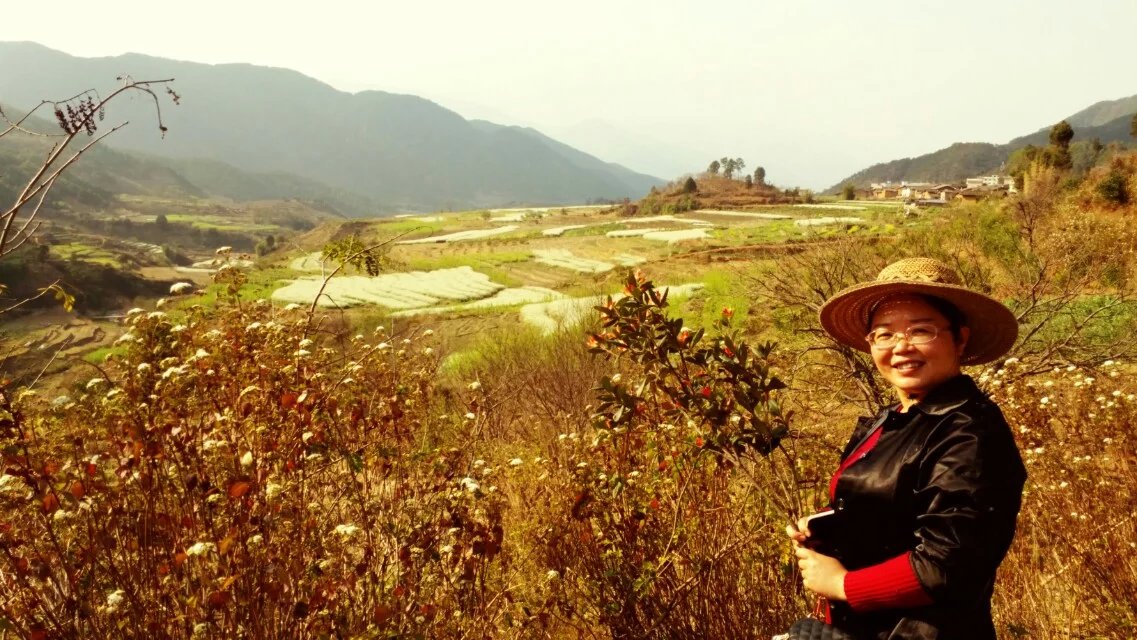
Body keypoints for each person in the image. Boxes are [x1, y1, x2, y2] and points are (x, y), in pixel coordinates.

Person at [787, 257, 1027, 640]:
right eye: (884, 334)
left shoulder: (970, 430)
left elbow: (948, 563)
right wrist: (829, 526)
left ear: (959, 338)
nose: (901, 347)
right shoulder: (894, 418)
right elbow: (892, 506)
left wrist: (842, 585)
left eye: (921, 331)